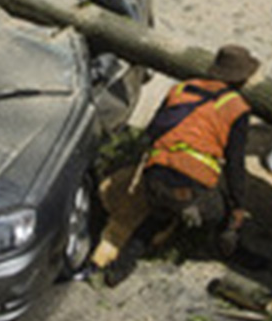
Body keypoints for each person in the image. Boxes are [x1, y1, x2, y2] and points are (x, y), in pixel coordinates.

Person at [104, 45, 260, 287]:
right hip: (193, 186)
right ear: (241, 79)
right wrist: (238, 207)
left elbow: (153, 130)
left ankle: (119, 268)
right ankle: (230, 247)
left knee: (156, 218)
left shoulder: (180, 89)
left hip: (155, 178)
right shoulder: (237, 108)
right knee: (222, 212)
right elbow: (235, 165)